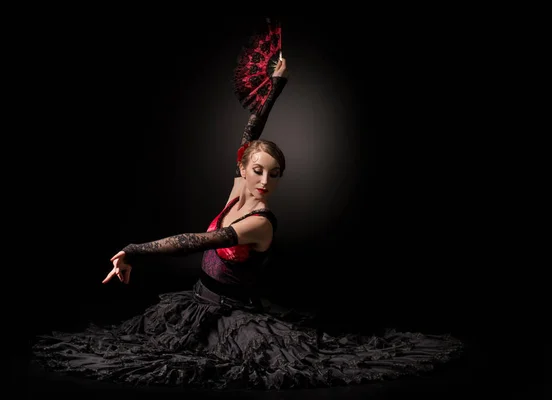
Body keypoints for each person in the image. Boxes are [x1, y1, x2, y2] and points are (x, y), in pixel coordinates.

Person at [31, 56, 463, 391]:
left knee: (222, 369)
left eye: (274, 174)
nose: (264, 181)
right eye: (258, 170)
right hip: (196, 304)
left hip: (234, 318)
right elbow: (251, 133)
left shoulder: (260, 220)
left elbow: (193, 241)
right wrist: (277, 87)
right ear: (245, 167)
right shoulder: (240, 186)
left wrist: (134, 250)